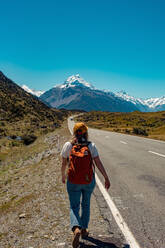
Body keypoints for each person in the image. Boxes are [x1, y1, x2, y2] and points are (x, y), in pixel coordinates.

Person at [61, 122, 110, 248]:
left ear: (74, 132)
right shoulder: (91, 145)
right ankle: (84, 229)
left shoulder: (68, 145)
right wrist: (105, 177)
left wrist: (63, 176)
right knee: (86, 204)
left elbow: (63, 163)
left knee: (74, 206)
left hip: (73, 181)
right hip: (88, 181)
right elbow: (98, 162)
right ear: (86, 133)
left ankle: (76, 228)